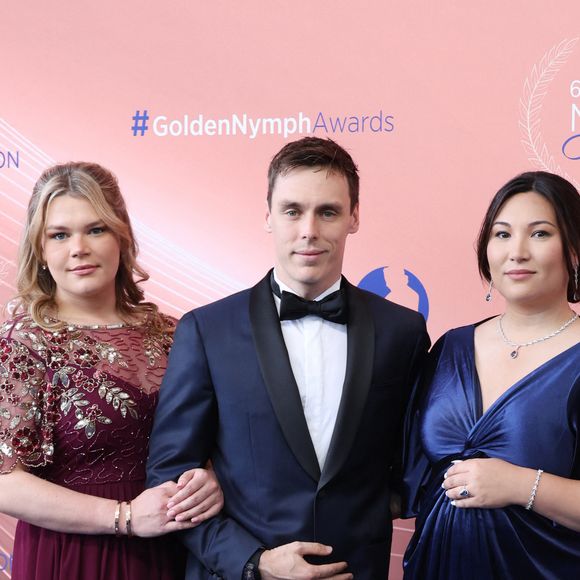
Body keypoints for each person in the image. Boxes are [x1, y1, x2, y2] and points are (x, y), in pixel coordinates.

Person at [147, 136, 430, 580]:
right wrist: (254, 562)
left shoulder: (403, 332)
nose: (309, 231)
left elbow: (412, 459)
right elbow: (170, 478)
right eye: (293, 210)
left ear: (354, 217)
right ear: (268, 216)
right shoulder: (207, 330)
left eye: (328, 212)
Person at [0, 162, 224, 580]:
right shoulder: (24, 341)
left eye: (95, 229)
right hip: (71, 556)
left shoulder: (174, 334)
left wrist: (211, 479)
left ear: (121, 236)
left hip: (174, 549)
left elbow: (213, 441)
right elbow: (4, 481)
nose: (78, 248)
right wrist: (124, 517)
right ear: (41, 251)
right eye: (59, 235)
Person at [402, 171, 580, 579]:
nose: (516, 252)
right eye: (502, 235)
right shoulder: (450, 347)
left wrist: (521, 485)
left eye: (539, 234)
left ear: (574, 249)